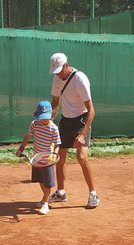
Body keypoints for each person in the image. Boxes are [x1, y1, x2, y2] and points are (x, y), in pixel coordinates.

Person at [47, 52, 100, 208]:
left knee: (82, 157)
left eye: (59, 70)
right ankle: (61, 193)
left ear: (66, 65)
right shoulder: (57, 78)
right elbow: (55, 103)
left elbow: (91, 111)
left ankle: (93, 194)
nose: (57, 74)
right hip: (66, 121)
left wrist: (83, 134)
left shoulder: (79, 79)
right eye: (55, 71)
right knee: (59, 157)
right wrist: (48, 121)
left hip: (81, 120)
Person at [16, 100, 61, 215]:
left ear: (51, 114)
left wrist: (54, 155)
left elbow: (57, 145)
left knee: (47, 182)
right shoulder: (34, 124)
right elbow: (27, 137)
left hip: (47, 160)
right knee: (40, 180)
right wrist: (21, 148)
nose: (44, 119)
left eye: (47, 117)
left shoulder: (54, 129)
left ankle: (45, 203)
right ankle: (44, 199)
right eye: (42, 117)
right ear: (37, 114)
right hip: (36, 158)